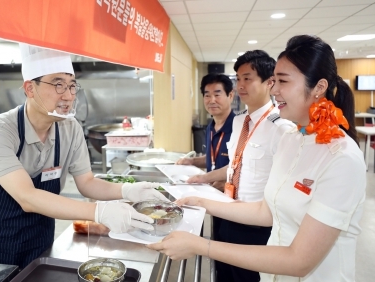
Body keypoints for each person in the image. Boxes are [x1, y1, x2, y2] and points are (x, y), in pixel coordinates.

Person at [147, 35, 366, 281]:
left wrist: (200, 246)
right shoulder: (292, 140)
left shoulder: (342, 159)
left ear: (319, 87)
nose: (274, 89)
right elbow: (267, 211)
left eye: (282, 81)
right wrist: (201, 202)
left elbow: (300, 261)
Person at [0, 43, 167, 269]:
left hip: (40, 240)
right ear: (30, 88)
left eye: (72, 85)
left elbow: (87, 183)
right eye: (58, 85)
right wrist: (99, 211)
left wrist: (127, 190)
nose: (68, 95)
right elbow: (27, 197)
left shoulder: (70, 127)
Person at [185, 50, 295, 282]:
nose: (241, 84)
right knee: (222, 273)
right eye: (238, 78)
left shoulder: (281, 127)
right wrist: (202, 178)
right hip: (228, 211)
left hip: (256, 224)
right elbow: (236, 166)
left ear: (269, 82)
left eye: (248, 78)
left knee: (247, 278)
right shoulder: (238, 121)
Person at [177, 73, 236, 189]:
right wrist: (192, 161)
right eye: (207, 95)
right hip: (210, 191)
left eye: (217, 95)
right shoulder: (210, 127)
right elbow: (212, 158)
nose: (212, 100)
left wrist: (227, 182)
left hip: (232, 198)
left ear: (230, 96)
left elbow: (244, 168)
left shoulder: (239, 128)